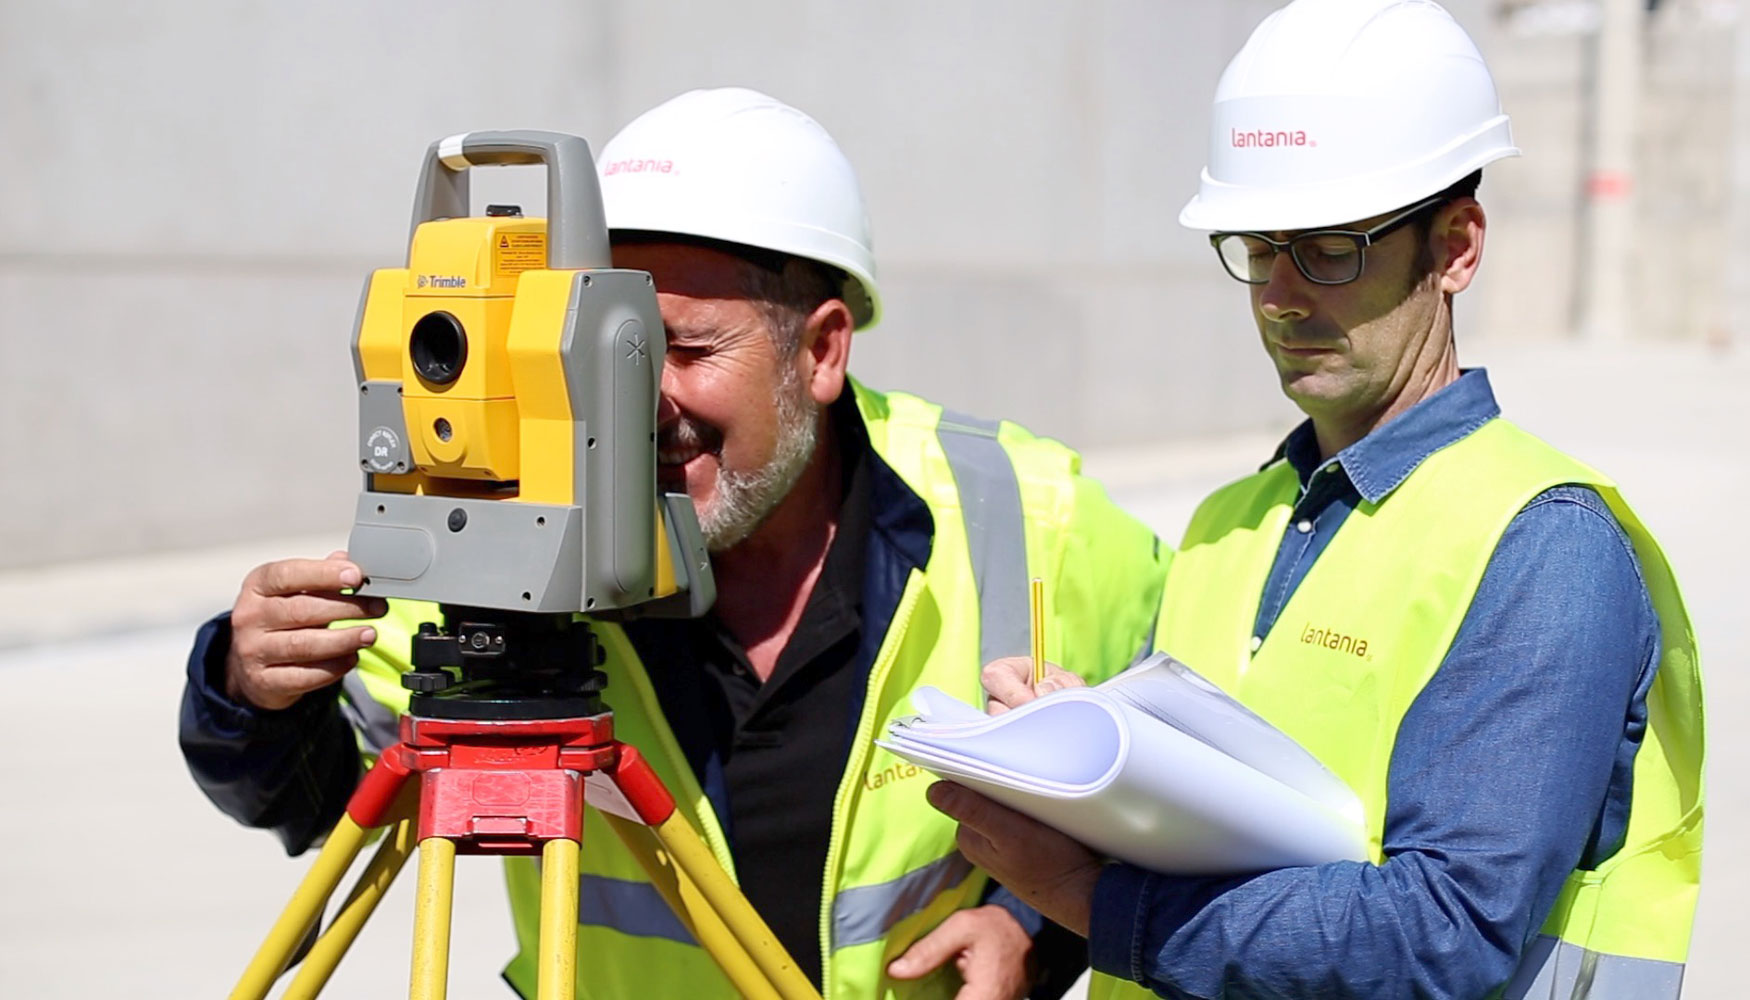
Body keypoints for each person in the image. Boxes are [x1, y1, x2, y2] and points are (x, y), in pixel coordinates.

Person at [179, 87, 1169, 1000]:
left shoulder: (1032, 517)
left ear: (820, 350)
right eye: (607, 347)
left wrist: (1032, 923)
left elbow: (1184, 787)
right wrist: (249, 681)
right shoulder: (525, 529)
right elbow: (314, 796)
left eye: (682, 350)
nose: (635, 400)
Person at [929, 2, 1705, 998]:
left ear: (1456, 246)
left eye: (1329, 248)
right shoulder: (1228, 524)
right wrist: (1083, 773)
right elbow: (1220, 812)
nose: (1281, 295)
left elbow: (1445, 930)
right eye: (1258, 247)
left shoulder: (1543, 546)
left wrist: (1098, 904)